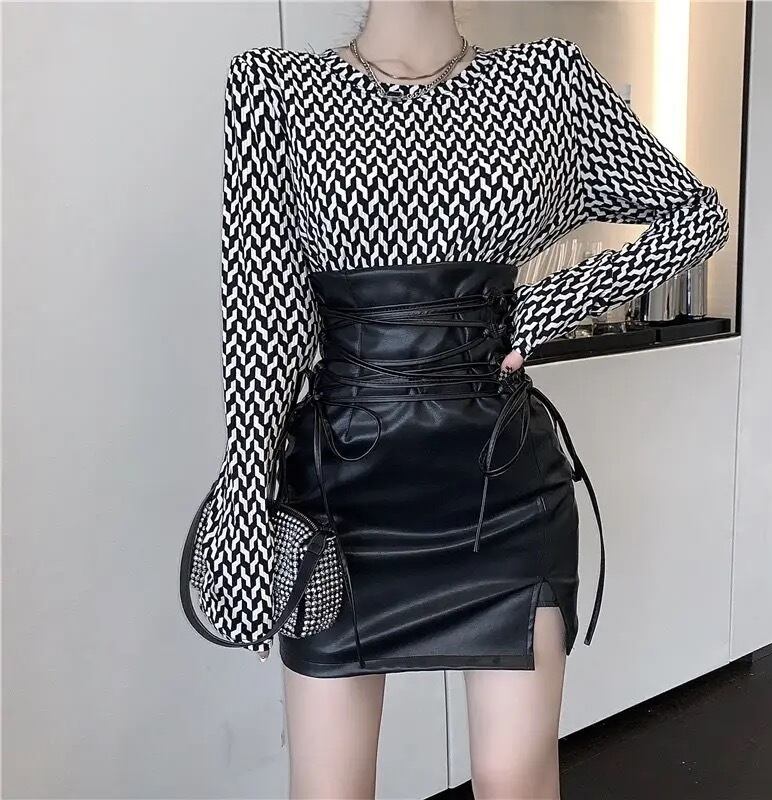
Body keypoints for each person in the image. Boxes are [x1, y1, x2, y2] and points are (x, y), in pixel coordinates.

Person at [213, 2, 729, 797]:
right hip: (340, 502)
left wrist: (550, 305)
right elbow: (261, 319)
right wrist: (246, 507)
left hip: (506, 492)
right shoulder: (275, 89)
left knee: (513, 779)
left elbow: (696, 216)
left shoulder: (545, 82)